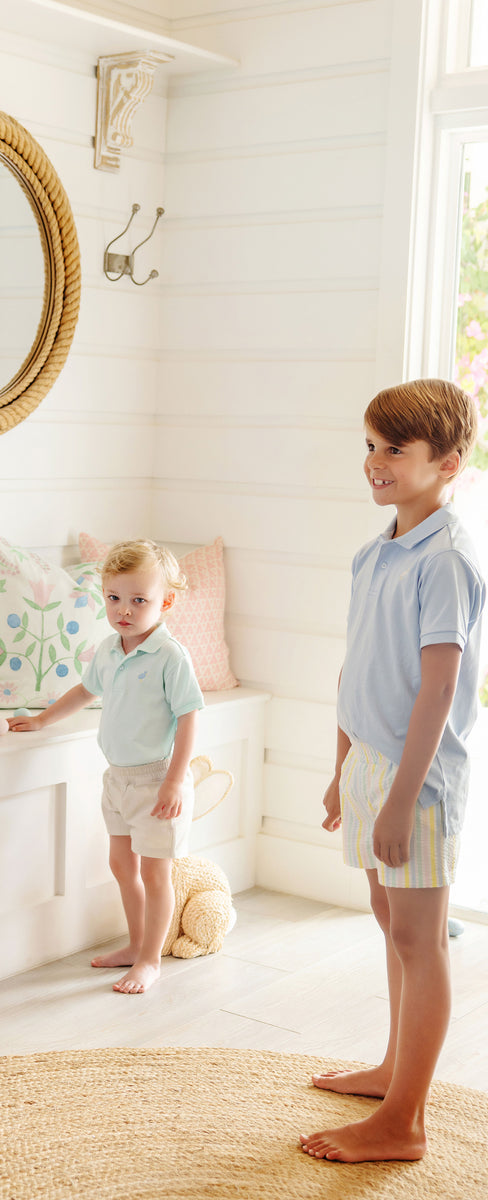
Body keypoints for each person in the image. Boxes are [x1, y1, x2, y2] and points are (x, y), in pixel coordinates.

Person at [300, 380, 486, 1164]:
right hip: (372, 761)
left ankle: (405, 1121)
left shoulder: (446, 560)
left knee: (419, 937)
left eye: (395, 449)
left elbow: (439, 690)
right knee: (389, 918)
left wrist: (402, 800)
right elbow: (357, 667)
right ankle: (391, 1071)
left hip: (420, 780)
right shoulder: (374, 552)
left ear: (447, 462)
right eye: (371, 445)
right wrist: (343, 766)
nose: (375, 461)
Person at [8, 538, 204, 994]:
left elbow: (190, 716)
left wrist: (175, 781)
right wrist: (41, 720)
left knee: (155, 874)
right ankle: (136, 944)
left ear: (165, 602)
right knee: (121, 864)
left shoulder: (170, 656)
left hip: (157, 781)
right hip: (117, 779)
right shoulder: (110, 649)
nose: (124, 610)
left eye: (139, 600)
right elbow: (85, 691)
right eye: (114, 597)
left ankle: (151, 960)